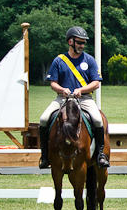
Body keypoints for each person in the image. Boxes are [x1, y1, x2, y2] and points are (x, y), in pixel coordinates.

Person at [38, 27, 109, 169]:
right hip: (62, 98)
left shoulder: (89, 60)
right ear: (70, 42)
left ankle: (101, 155)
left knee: (97, 120)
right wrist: (62, 90)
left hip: (84, 99)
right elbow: (53, 83)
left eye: (83, 43)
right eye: (79, 42)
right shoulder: (59, 60)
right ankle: (45, 156)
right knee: (43, 119)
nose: (82, 46)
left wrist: (81, 90)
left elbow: (96, 83)